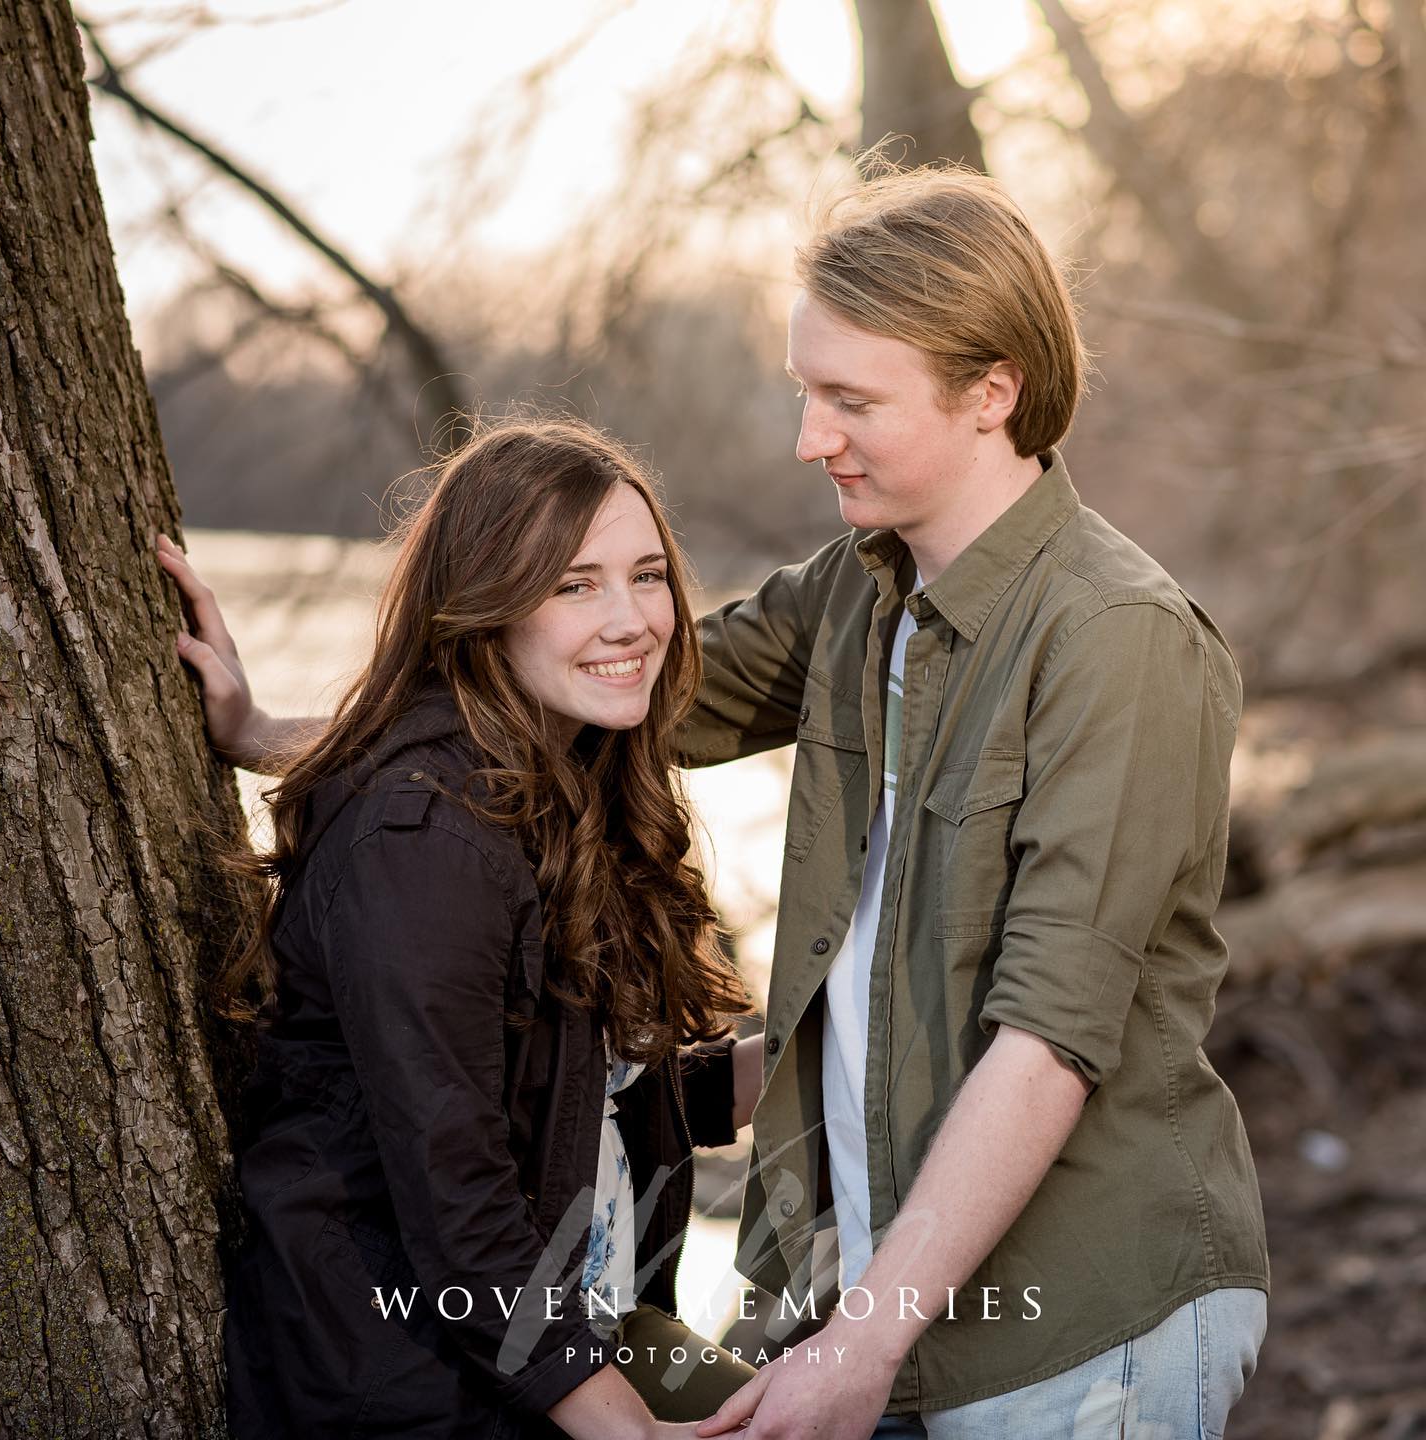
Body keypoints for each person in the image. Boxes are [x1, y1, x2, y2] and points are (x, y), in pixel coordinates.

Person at [166, 166, 1271, 1439]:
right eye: (809, 391)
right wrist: (276, 737)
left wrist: (861, 1344)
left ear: (991, 394)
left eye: (851, 399)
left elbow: (1049, 1042)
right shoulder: (855, 597)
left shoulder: (1117, 639)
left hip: (1072, 1328)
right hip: (854, 1297)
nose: (811, 436)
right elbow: (576, 689)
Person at [158, 419, 760, 1438]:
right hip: (422, 1382)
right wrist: (621, 1425)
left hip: (570, 1333)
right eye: (574, 585)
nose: (631, 621)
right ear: (484, 607)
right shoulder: (425, 844)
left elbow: (561, 1094)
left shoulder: (564, 789)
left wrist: (792, 1074)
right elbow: (458, 1190)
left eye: (647, 576)